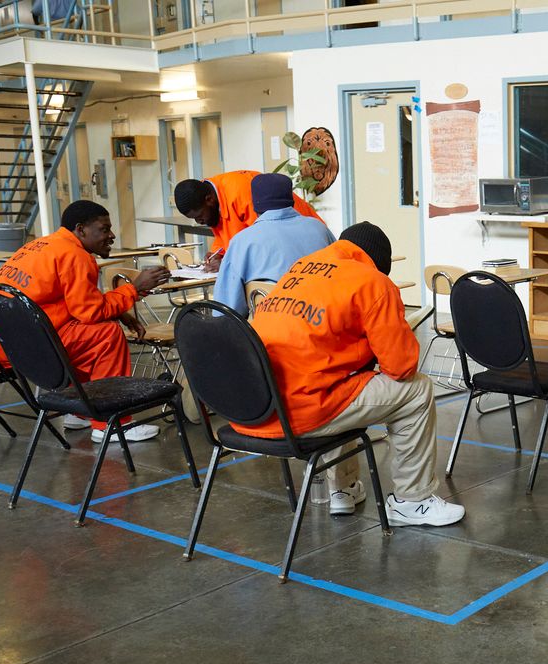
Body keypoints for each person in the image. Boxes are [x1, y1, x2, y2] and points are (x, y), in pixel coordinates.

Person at [235, 221, 465, 524]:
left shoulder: (301, 268)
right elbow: (401, 368)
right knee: (416, 389)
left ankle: (342, 490)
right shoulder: (373, 282)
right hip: (300, 416)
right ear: (379, 264)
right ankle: (413, 500)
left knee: (344, 380)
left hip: (251, 408)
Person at [0, 200, 171, 441]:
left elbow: (70, 302)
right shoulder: (76, 255)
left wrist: (118, 311)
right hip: (25, 347)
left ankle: (79, 410)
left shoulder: (42, 245)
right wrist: (133, 289)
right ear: (81, 229)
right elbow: (90, 313)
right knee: (106, 335)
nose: (111, 235)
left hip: (1, 344)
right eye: (104, 229)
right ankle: (109, 422)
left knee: (86, 334)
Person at [212, 173, 335, 315]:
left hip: (272, 330)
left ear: (254, 206)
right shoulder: (320, 229)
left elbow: (227, 309)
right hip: (324, 322)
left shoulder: (242, 241)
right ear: (292, 200)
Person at [173, 170, 323, 272]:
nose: (199, 221)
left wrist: (228, 264)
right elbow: (223, 230)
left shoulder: (241, 193)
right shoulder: (210, 196)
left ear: (209, 199)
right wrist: (217, 253)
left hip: (301, 243)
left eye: (199, 216)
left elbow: (265, 242)